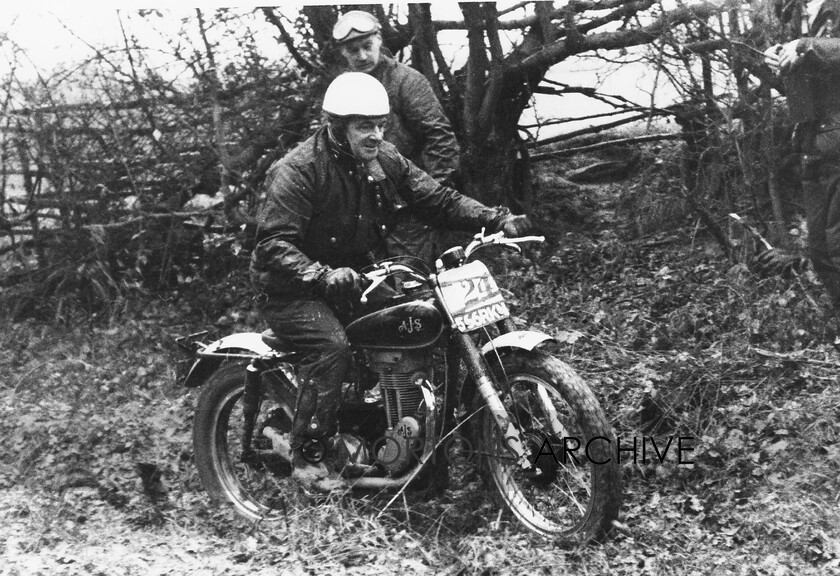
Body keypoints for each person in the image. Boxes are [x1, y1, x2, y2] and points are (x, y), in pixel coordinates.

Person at [250, 72, 530, 491]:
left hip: (354, 277)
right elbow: (272, 242)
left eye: (381, 124)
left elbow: (436, 199)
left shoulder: (383, 158)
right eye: (365, 125)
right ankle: (309, 455)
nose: (377, 134)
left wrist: (496, 217)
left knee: (421, 325)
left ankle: (411, 446)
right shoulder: (299, 169)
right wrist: (319, 274)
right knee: (332, 347)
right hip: (292, 288)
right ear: (336, 125)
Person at [332, 10, 462, 264]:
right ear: (342, 53)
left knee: (412, 279)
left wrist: (430, 196)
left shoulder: (406, 81)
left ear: (379, 40)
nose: (362, 56)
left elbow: (440, 139)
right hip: (363, 210)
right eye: (352, 50)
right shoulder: (343, 90)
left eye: (367, 46)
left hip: (407, 205)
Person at [763, 8, 840, 333]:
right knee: (821, 253)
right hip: (814, 152)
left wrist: (803, 46)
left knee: (836, 248)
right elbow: (802, 85)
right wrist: (773, 61)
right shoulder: (801, 11)